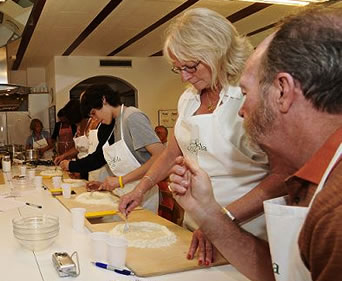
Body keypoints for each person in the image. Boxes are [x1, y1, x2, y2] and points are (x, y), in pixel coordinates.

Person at [168, 7, 342, 281]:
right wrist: (207, 213)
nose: (240, 109)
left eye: (247, 92)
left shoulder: (334, 211)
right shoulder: (314, 180)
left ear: (283, 91)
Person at [118, 7, 288, 266]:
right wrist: (142, 188)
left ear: (218, 53)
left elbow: (283, 177)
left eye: (191, 66)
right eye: (178, 69)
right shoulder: (188, 99)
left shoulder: (250, 96)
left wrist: (221, 221)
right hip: (197, 227)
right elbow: (171, 153)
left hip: (249, 230)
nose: (185, 77)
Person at [82, 84, 165, 212]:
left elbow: (160, 156)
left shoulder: (132, 117)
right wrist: (106, 184)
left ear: (103, 100)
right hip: (125, 193)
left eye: (94, 113)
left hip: (143, 195)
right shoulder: (117, 122)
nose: (96, 119)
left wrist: (121, 180)